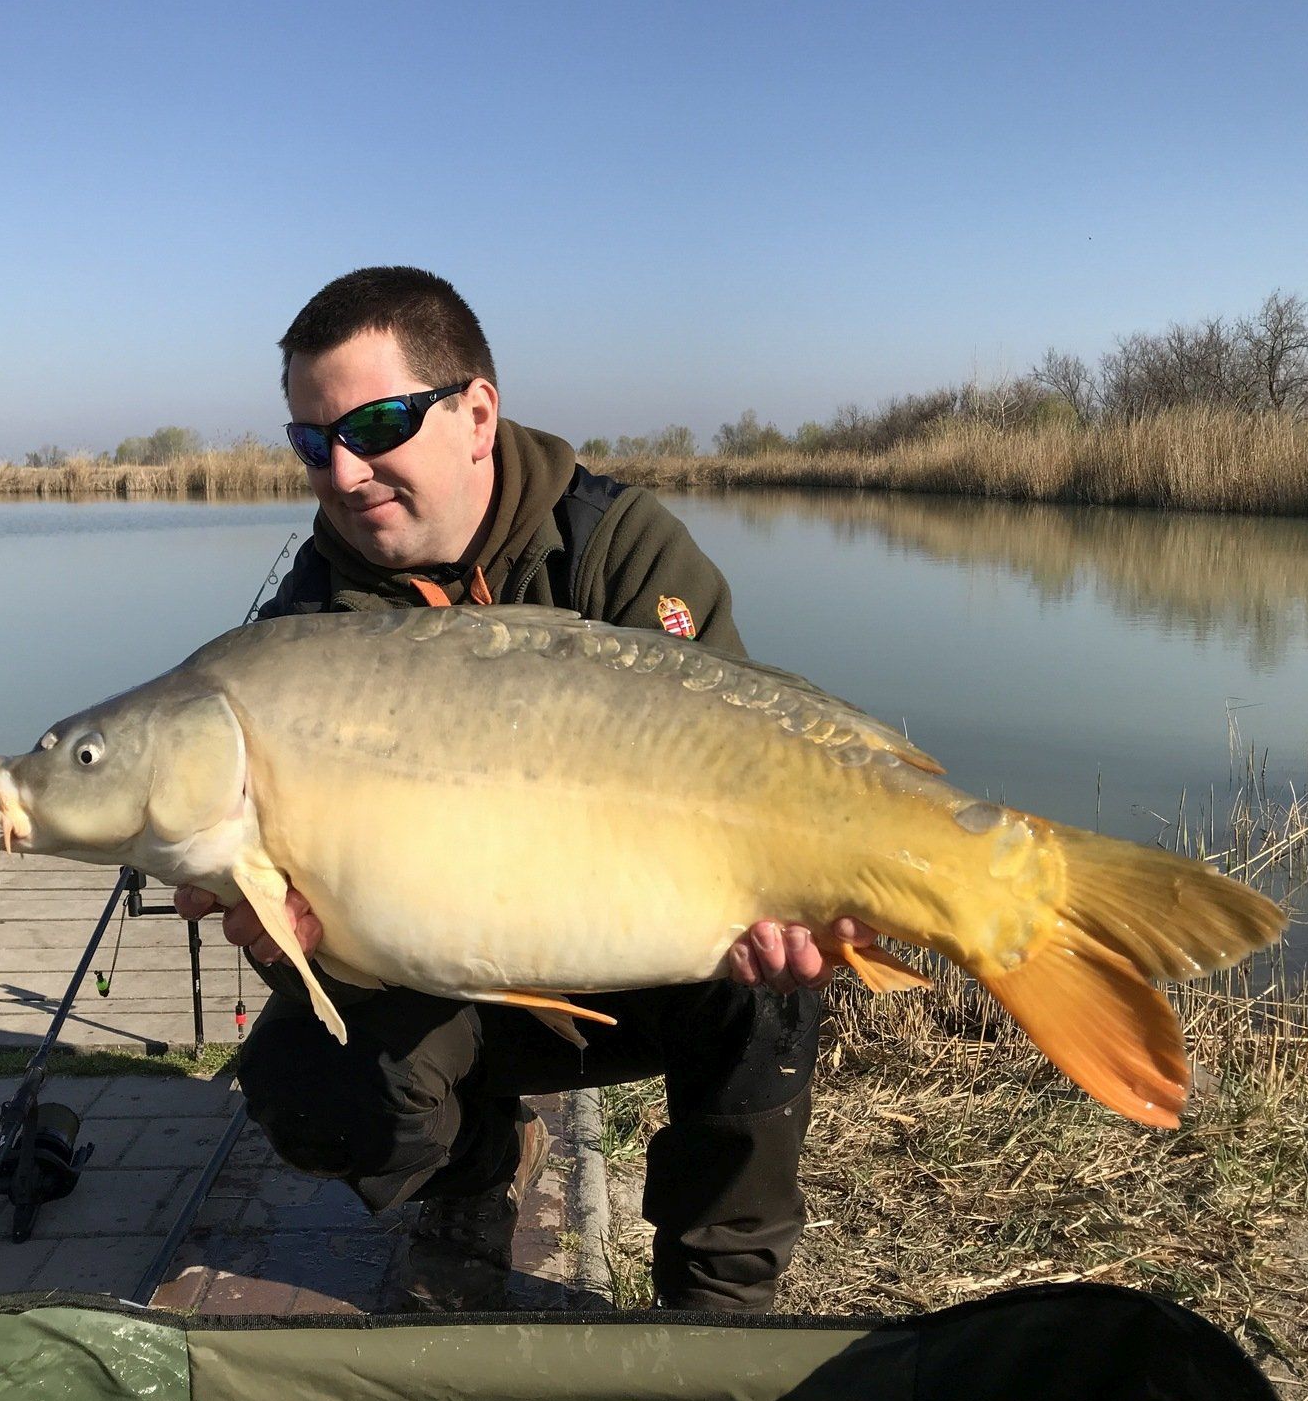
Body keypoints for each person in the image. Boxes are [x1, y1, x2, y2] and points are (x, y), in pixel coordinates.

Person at [175, 266, 875, 1313]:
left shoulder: (615, 546)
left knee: (771, 990)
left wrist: (804, 892)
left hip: (646, 952)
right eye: (314, 443)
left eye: (375, 424)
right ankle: (479, 1166)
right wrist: (302, 948)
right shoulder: (300, 642)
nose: (346, 470)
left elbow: (748, 766)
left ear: (476, 414)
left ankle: (721, 1305)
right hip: (457, 977)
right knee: (308, 1080)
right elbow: (327, 962)